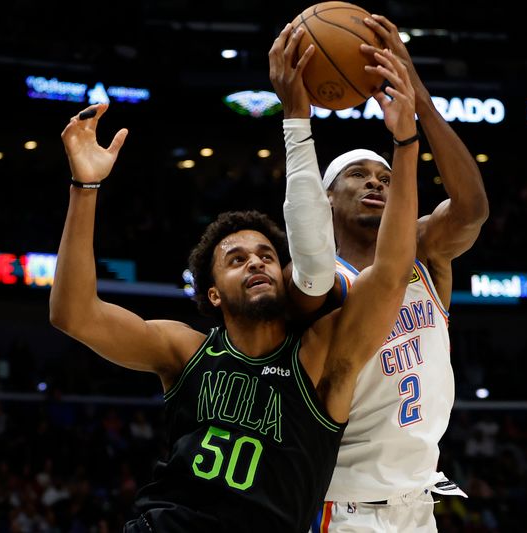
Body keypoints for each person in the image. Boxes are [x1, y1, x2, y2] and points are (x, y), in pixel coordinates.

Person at [49, 36, 420, 532]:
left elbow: (392, 272)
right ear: (213, 293)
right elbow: (73, 314)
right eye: (237, 259)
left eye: (267, 255)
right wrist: (85, 187)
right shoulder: (184, 351)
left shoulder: (320, 356)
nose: (257, 264)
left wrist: (406, 145)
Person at [269, 13, 489, 533]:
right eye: (357, 175)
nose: (376, 183)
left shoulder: (424, 253)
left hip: (418, 502)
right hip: (344, 506)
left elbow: (472, 209)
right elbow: (309, 257)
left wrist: (419, 99)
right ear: (325, 197)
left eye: (385, 176)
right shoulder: (314, 281)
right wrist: (296, 120)